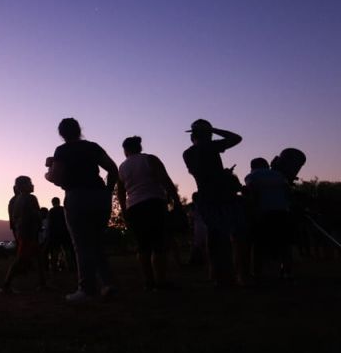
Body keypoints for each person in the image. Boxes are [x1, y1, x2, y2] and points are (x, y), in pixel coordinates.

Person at [46, 118, 119, 302]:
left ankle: (86, 289)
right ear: (79, 130)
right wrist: (108, 192)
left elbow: (57, 178)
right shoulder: (92, 147)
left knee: (82, 245)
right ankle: (108, 284)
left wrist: (48, 170)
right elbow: (112, 169)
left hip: (77, 197)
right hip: (99, 196)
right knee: (97, 243)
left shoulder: (61, 151)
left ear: (61, 134)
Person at [182, 119, 249, 286]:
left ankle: (216, 276)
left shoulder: (188, 153)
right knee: (237, 235)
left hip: (205, 197)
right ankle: (241, 275)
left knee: (214, 236)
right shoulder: (210, 147)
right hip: (224, 196)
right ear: (208, 134)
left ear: (192, 137)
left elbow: (200, 173)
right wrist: (216, 129)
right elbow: (236, 138)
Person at [116, 136, 180, 290]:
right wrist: (175, 199)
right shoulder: (150, 159)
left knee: (143, 245)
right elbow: (165, 179)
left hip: (135, 207)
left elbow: (121, 192)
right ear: (139, 147)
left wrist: (125, 211)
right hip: (154, 202)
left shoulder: (122, 167)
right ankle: (161, 281)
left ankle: (148, 281)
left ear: (125, 150)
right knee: (158, 243)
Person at [243, 158, 294, 280]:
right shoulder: (279, 175)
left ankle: (257, 272)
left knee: (259, 244)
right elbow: (287, 191)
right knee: (284, 244)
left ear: (252, 166)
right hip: (282, 212)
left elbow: (252, 192)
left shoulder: (251, 176)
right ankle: (287, 271)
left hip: (263, 212)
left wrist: (253, 211)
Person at [0, 176, 46, 293]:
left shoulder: (17, 200)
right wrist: (39, 222)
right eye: (29, 183)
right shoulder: (30, 198)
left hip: (23, 232)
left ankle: (43, 283)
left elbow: (15, 218)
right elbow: (35, 215)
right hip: (28, 234)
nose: (32, 185)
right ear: (22, 186)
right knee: (20, 259)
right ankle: (6, 285)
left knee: (38, 258)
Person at [45, 197, 74, 272]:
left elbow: (50, 224)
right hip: (65, 233)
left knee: (55, 252)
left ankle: (54, 268)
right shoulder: (64, 209)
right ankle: (70, 267)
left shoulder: (51, 211)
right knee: (67, 251)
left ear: (52, 203)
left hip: (55, 234)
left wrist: (49, 235)